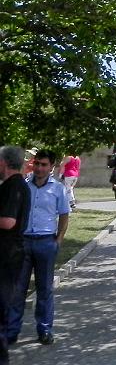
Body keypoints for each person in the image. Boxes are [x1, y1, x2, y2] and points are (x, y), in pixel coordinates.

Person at [8, 149, 69, 346]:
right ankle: (12, 331)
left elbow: (64, 216)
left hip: (46, 242)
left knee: (44, 289)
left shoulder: (58, 189)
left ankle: (44, 329)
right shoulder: (23, 186)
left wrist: (58, 240)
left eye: (44, 165)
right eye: (37, 164)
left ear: (51, 167)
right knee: (18, 289)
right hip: (23, 242)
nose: (40, 169)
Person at [0, 146, 30, 363]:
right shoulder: (13, 186)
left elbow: (8, 221)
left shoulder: (14, 187)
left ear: (5, 163)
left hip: (7, 256)